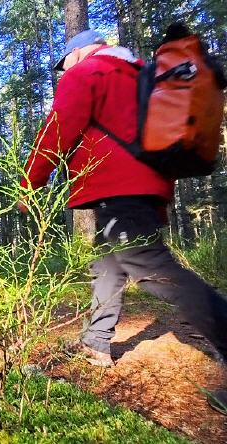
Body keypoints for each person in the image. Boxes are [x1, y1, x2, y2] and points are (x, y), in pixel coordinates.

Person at [19, 29, 227, 414]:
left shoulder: (90, 71)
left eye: (65, 61)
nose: (64, 68)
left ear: (80, 51)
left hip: (119, 187)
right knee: (108, 263)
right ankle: (96, 342)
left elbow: (58, 127)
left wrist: (30, 181)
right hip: (143, 186)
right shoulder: (138, 74)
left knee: (150, 267)